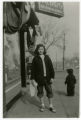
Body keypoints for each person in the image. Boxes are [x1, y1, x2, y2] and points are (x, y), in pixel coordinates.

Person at [31, 44, 56, 112]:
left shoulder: (47, 57)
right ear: (37, 50)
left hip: (47, 79)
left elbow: (51, 68)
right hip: (39, 79)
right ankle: (42, 105)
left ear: (44, 50)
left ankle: (51, 105)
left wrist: (52, 77)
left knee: (49, 92)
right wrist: (33, 79)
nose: (40, 50)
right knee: (40, 92)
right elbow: (33, 70)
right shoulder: (35, 58)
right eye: (39, 49)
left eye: (42, 49)